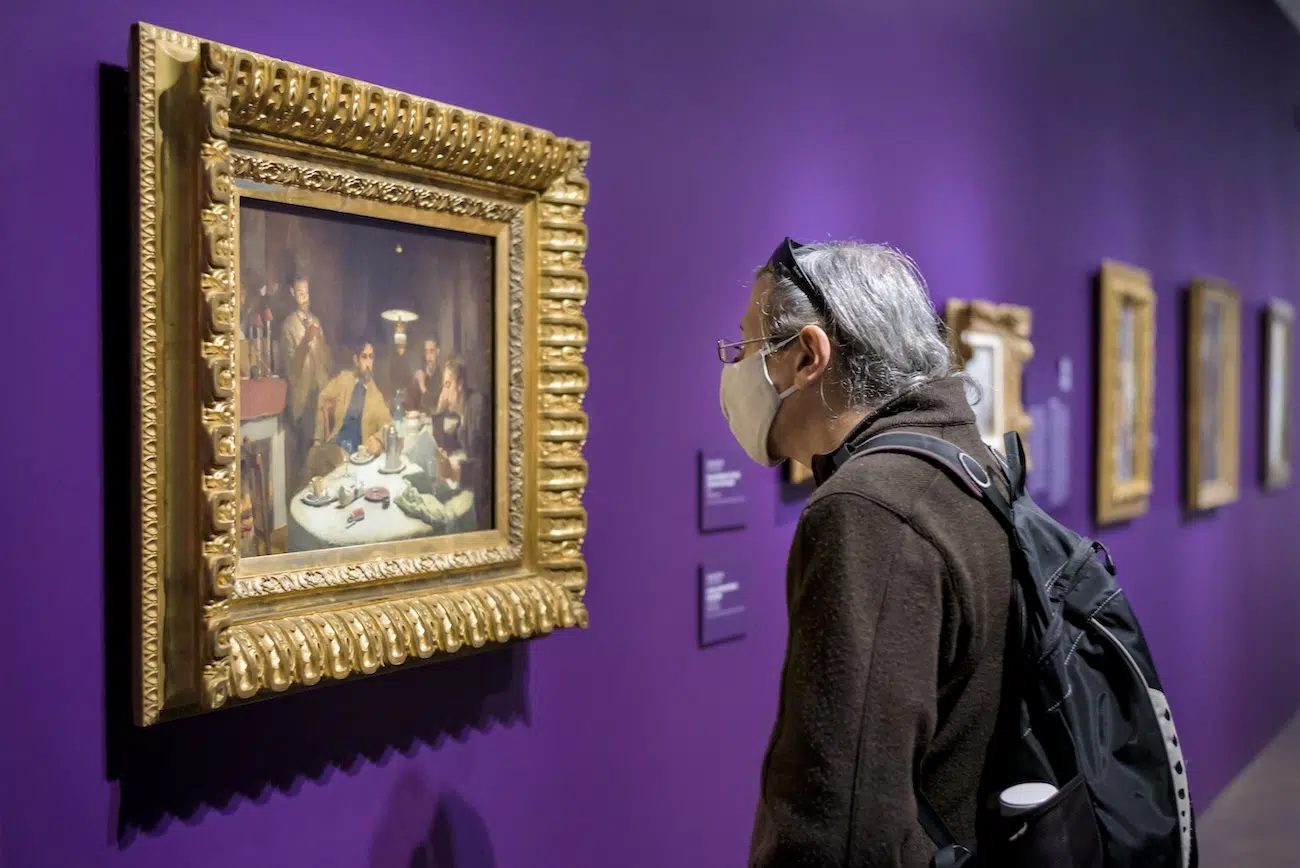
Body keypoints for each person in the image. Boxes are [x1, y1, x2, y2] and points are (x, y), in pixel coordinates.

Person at [720, 239, 1013, 867]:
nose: (735, 365)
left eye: (745, 346)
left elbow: (844, 813)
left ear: (808, 357)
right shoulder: (962, 464)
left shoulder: (869, 509)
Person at [308, 341, 392, 478]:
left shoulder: (376, 396)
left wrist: (378, 441)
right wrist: (318, 438)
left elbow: (388, 425)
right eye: (364, 357)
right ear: (356, 360)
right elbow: (322, 397)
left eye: (371, 357)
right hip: (335, 445)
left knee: (317, 460)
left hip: (354, 454)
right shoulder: (344, 379)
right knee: (314, 457)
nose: (368, 363)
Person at [280, 274, 331, 487]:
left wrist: (320, 341)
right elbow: (291, 367)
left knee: (321, 455)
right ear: (292, 293)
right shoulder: (288, 326)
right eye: (300, 293)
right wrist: (306, 340)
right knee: (304, 460)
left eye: (307, 292)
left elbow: (325, 360)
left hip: (320, 396)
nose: (305, 297)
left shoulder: (316, 322)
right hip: (302, 401)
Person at [409, 337, 443, 413]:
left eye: (431, 351)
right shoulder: (420, 374)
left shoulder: (441, 378)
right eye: (426, 352)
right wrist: (414, 384)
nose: (429, 357)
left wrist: (422, 386)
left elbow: (434, 407)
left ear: (437, 352)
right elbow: (411, 406)